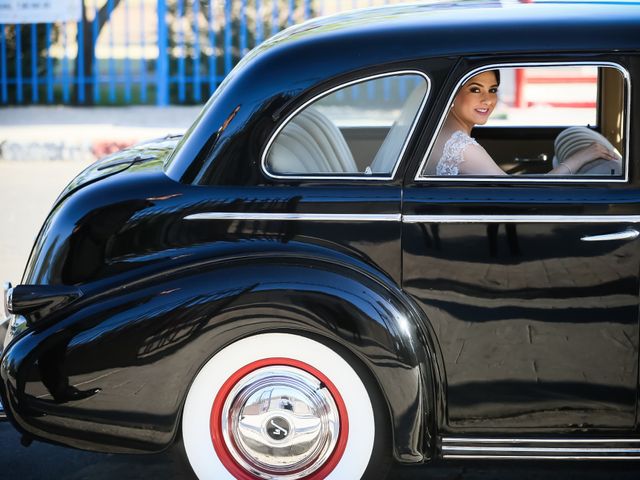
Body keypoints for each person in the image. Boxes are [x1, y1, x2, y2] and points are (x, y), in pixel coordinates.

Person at [423, 70, 621, 176]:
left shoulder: (436, 133)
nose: (487, 100)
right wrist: (580, 158)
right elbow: (523, 197)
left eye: (492, 90)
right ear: (451, 95)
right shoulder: (462, 148)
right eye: (475, 90)